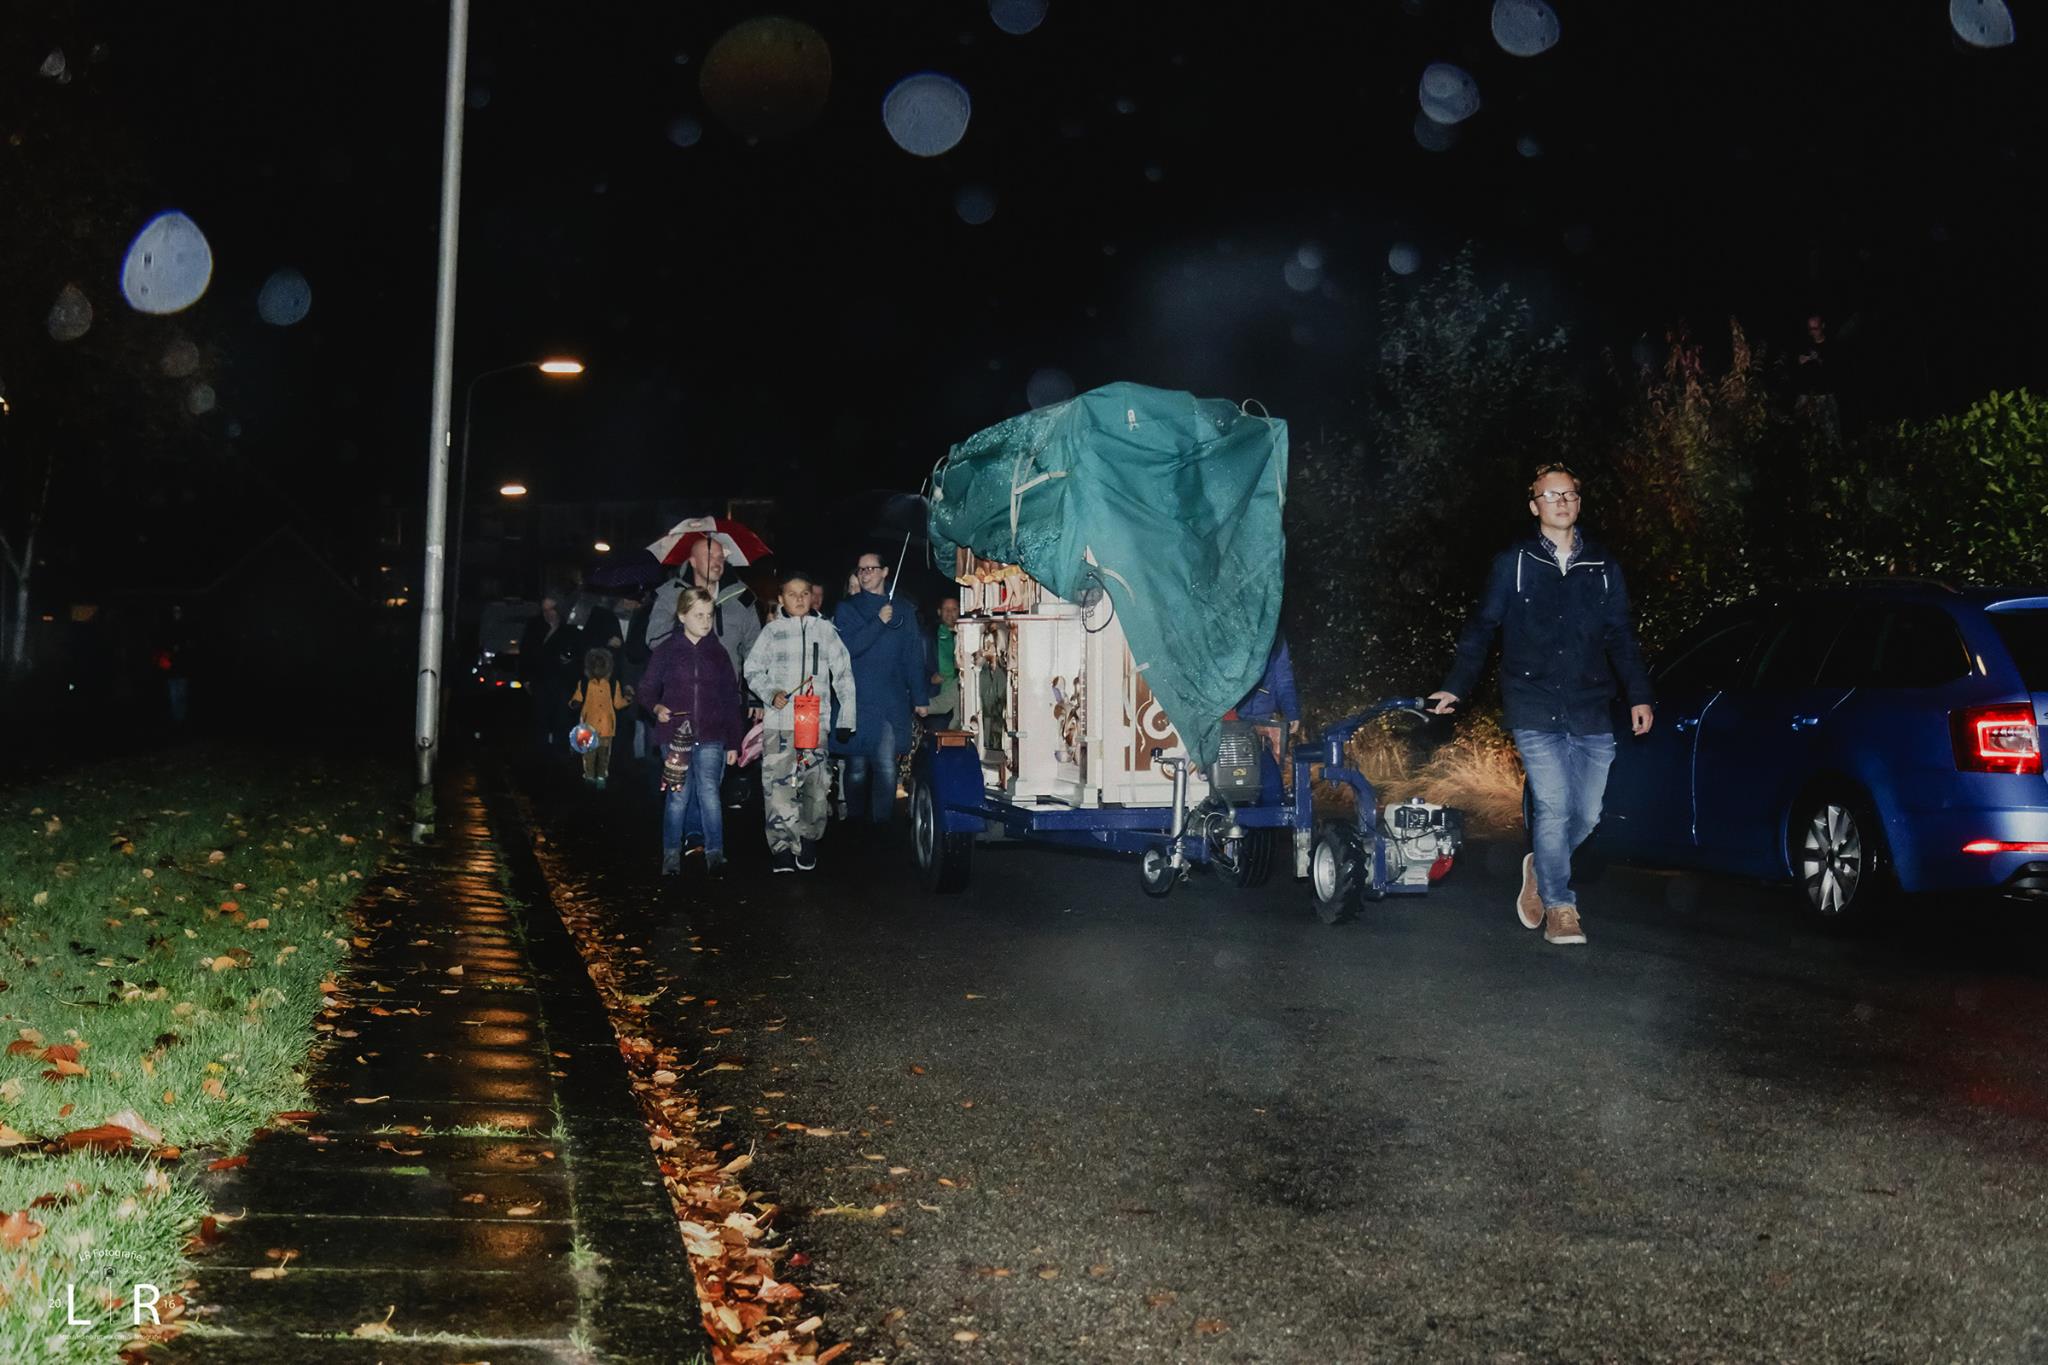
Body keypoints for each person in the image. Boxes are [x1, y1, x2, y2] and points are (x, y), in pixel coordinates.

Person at [1427, 463, 1653, 948]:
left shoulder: (1602, 567)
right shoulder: (1516, 563)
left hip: (1591, 702)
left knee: (1587, 814)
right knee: (1553, 805)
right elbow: (1483, 629)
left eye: (1569, 494)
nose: (1561, 502)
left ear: (1578, 501)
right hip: (1532, 699)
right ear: (1535, 506)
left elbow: (1622, 637)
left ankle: (1542, 867)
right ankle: (1560, 906)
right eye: (1551, 496)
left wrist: (1639, 694)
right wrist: (1456, 687)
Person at [744, 570, 856, 873]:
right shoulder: (771, 632)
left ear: (813, 596)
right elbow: (752, 669)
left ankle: (808, 839)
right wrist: (770, 694)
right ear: (781, 598)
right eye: (791, 594)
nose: (798, 599)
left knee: (817, 786)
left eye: (804, 593)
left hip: (815, 723)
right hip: (780, 724)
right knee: (778, 786)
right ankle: (782, 847)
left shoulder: (826, 630)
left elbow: (844, 674)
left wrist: (846, 716)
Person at [639, 588, 746, 878]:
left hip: (712, 735)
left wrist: (733, 742)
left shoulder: (718, 653)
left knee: (710, 792)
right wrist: (656, 707)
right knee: (678, 796)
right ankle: (671, 855)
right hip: (676, 736)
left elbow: (729, 698)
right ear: (682, 615)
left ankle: (715, 853)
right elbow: (646, 689)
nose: (705, 620)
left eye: (710, 615)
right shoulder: (666, 650)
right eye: (698, 615)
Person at [833, 550, 932, 826]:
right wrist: (878, 622)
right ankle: (854, 820)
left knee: (886, 766)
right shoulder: (847, 609)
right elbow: (849, 648)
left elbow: (913, 655)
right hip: (857, 699)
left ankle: (882, 825)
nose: (865, 574)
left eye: (871, 569)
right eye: (861, 570)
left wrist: (920, 697)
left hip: (890, 699)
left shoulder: (903, 609)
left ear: (885, 572)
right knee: (856, 767)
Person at [518, 594, 585, 752]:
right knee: (541, 721)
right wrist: (526, 678)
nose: (548, 613)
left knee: (561, 722)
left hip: (562, 684)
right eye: (545, 610)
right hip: (540, 682)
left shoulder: (571, 628)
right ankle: (542, 755)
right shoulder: (535, 626)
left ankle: (559, 754)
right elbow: (526, 652)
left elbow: (578, 654)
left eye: (551, 609)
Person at [568, 647, 632, 789]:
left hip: (606, 727)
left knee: (603, 755)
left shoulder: (613, 684)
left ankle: (601, 777)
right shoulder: (584, 683)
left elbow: (618, 703)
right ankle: (590, 777)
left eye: (601, 662)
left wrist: (627, 699)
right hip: (588, 727)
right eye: (595, 663)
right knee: (589, 756)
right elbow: (576, 699)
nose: (598, 666)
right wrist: (574, 703)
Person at [1236, 633, 1300, 766]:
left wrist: (1292, 712)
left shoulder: (1276, 635)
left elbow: (1284, 678)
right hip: (1232, 719)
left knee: (1267, 772)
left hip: (1263, 720)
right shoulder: (1231, 625)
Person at [924, 595, 960, 730]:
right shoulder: (927, 635)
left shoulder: (968, 633)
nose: (950, 613)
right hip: (936, 697)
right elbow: (915, 665)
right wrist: (929, 678)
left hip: (960, 700)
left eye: (954, 609)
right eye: (946, 609)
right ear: (939, 611)